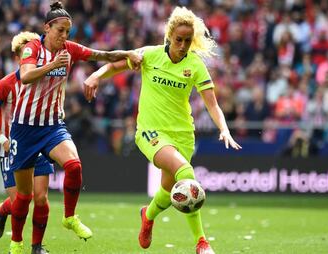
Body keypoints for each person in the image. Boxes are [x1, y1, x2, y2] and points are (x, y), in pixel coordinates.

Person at [83, 6, 241, 254]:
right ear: (169, 35)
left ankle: (148, 215)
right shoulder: (149, 55)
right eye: (179, 40)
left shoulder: (195, 65)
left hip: (183, 135)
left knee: (169, 193)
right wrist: (95, 76)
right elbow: (114, 67)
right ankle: (201, 242)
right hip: (150, 132)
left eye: (188, 41)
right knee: (187, 174)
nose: (183, 45)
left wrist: (224, 128)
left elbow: (213, 104)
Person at [7, 2, 141, 254]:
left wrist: (129, 53)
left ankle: (68, 217)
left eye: (68, 32)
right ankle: (16, 243)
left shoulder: (69, 49)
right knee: (24, 197)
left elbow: (104, 55)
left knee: (74, 165)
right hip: (24, 130)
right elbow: (25, 76)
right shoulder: (31, 48)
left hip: (52, 127)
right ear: (47, 28)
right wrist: (54, 65)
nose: (64, 37)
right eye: (60, 30)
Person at [0, 31, 53, 254]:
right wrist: (2, 139)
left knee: (41, 198)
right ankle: (4, 210)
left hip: (37, 143)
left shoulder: (43, 80)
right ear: (17, 58)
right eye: (24, 55)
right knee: (22, 200)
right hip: (11, 148)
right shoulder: (6, 84)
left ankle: (36, 247)